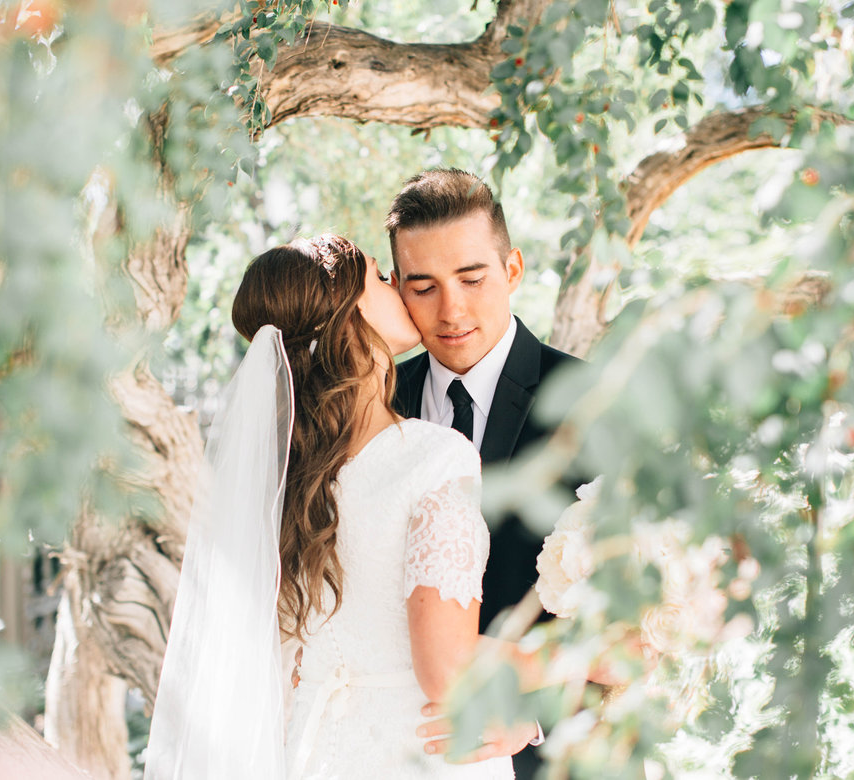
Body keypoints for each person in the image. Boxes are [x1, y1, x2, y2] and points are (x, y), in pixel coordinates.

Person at [144, 234, 513, 779]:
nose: (398, 287)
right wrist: (577, 660)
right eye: (379, 278)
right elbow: (450, 671)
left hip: (313, 753)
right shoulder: (434, 458)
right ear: (351, 315)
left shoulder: (286, 480)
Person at [387, 169, 584, 780]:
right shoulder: (376, 404)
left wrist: (536, 715)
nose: (452, 310)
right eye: (423, 287)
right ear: (396, 289)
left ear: (513, 270)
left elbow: (646, 626)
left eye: (472, 279)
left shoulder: (596, 403)